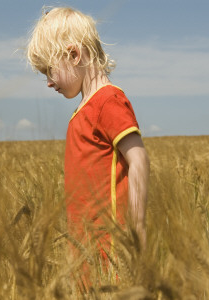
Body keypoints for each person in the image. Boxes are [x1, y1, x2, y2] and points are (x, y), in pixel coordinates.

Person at [26, 6, 149, 267]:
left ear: (73, 54)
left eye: (49, 70)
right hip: (84, 248)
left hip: (110, 248)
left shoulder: (108, 101)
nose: (48, 81)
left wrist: (138, 227)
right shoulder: (84, 110)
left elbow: (138, 159)